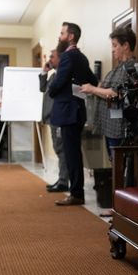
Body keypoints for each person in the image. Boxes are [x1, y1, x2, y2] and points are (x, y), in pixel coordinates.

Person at [80, 26, 138, 185]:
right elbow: (105, 90)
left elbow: (116, 93)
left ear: (126, 46)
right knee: (115, 164)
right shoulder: (115, 70)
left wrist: (93, 89)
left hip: (122, 127)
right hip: (109, 125)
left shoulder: (136, 68)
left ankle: (122, 205)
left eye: (115, 45)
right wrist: (94, 90)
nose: (113, 50)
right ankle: (117, 204)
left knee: (122, 166)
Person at [47, 22, 98, 206]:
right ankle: (77, 192)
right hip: (77, 110)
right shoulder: (81, 57)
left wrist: (50, 89)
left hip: (68, 112)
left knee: (71, 154)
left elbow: (58, 82)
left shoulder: (68, 56)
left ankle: (76, 194)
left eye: (61, 33)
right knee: (73, 153)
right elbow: (93, 80)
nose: (59, 36)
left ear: (70, 36)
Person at [40, 48, 69, 192]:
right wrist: (44, 72)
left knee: (61, 149)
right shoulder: (53, 76)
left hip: (58, 118)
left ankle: (64, 181)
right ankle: (61, 179)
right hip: (51, 118)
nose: (50, 59)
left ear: (60, 59)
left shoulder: (62, 77)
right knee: (59, 149)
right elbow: (42, 88)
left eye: (53, 56)